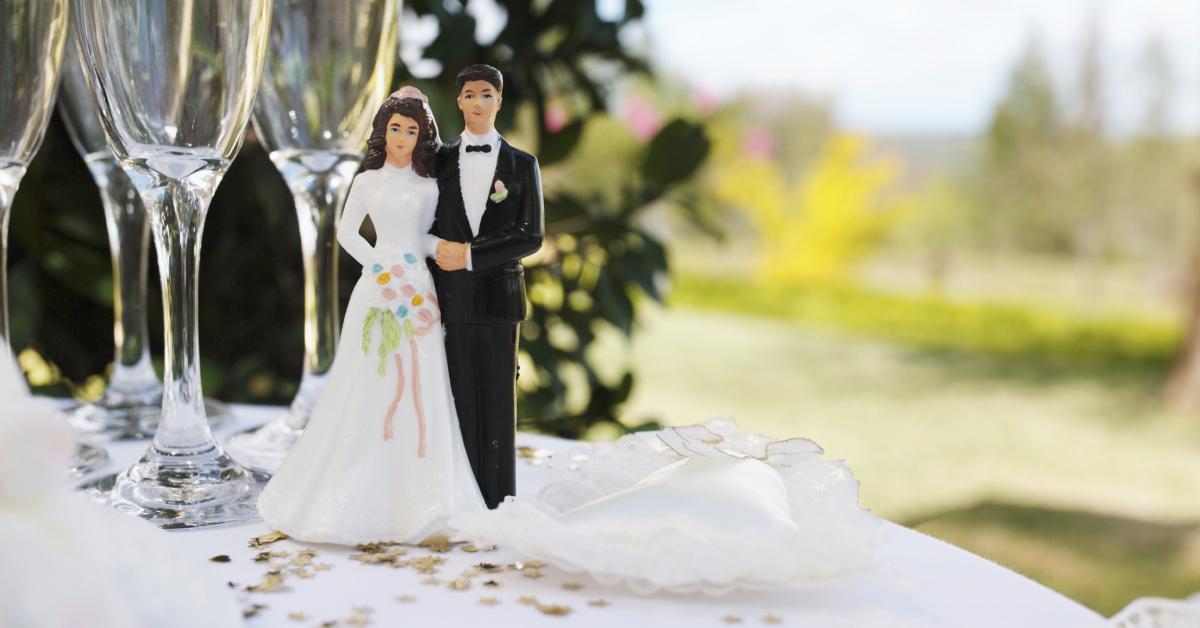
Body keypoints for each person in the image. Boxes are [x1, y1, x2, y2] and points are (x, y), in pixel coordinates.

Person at [257, 92, 485, 545]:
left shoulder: (429, 187)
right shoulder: (367, 182)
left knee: (422, 378)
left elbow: (421, 236)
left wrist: (429, 250)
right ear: (384, 133)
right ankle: (351, 484)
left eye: (412, 131)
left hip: (417, 286)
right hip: (379, 285)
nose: (402, 138)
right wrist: (377, 264)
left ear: (422, 137)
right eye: (396, 129)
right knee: (367, 377)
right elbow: (345, 233)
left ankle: (420, 488)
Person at [429, 64, 544, 509]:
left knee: (498, 400)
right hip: (451, 299)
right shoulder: (437, 161)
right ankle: (459, 497)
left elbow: (530, 234)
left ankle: (498, 499)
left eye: (487, 95)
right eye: (470, 95)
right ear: (458, 101)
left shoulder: (522, 165)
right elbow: (421, 217)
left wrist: (471, 255)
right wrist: (437, 249)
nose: (478, 104)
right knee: (457, 398)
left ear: (499, 101)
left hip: (500, 301)